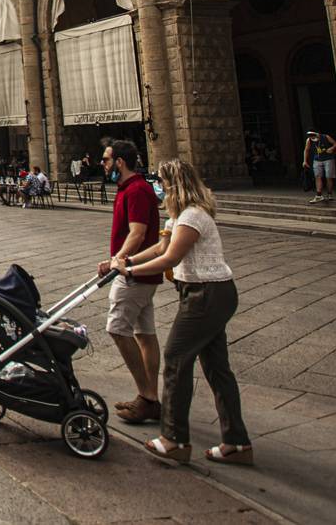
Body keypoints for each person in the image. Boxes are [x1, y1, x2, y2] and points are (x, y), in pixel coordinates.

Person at [114, 158, 253, 466]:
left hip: (207, 294)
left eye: (161, 182)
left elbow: (170, 258)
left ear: (174, 184)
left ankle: (174, 439)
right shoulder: (178, 217)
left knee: (176, 359)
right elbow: (160, 249)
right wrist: (127, 261)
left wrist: (131, 273)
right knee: (217, 368)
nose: (158, 188)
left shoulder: (192, 216)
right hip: (206, 292)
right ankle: (237, 443)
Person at [98, 138, 163, 425]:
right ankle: (149, 396)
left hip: (133, 274)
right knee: (145, 334)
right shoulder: (130, 188)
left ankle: (147, 396)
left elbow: (137, 233)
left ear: (119, 162)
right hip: (141, 273)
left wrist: (119, 260)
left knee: (117, 328)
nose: (103, 164)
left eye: (106, 159)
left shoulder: (136, 189)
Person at [302, 131, 336, 203]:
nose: (312, 137)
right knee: (317, 176)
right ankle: (319, 195)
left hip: (328, 159)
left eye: (313, 135)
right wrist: (305, 161)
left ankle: (329, 193)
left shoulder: (325, 137)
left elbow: (335, 144)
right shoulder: (309, 140)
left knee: (328, 176)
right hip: (317, 160)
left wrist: (331, 148)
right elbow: (306, 150)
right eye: (310, 135)